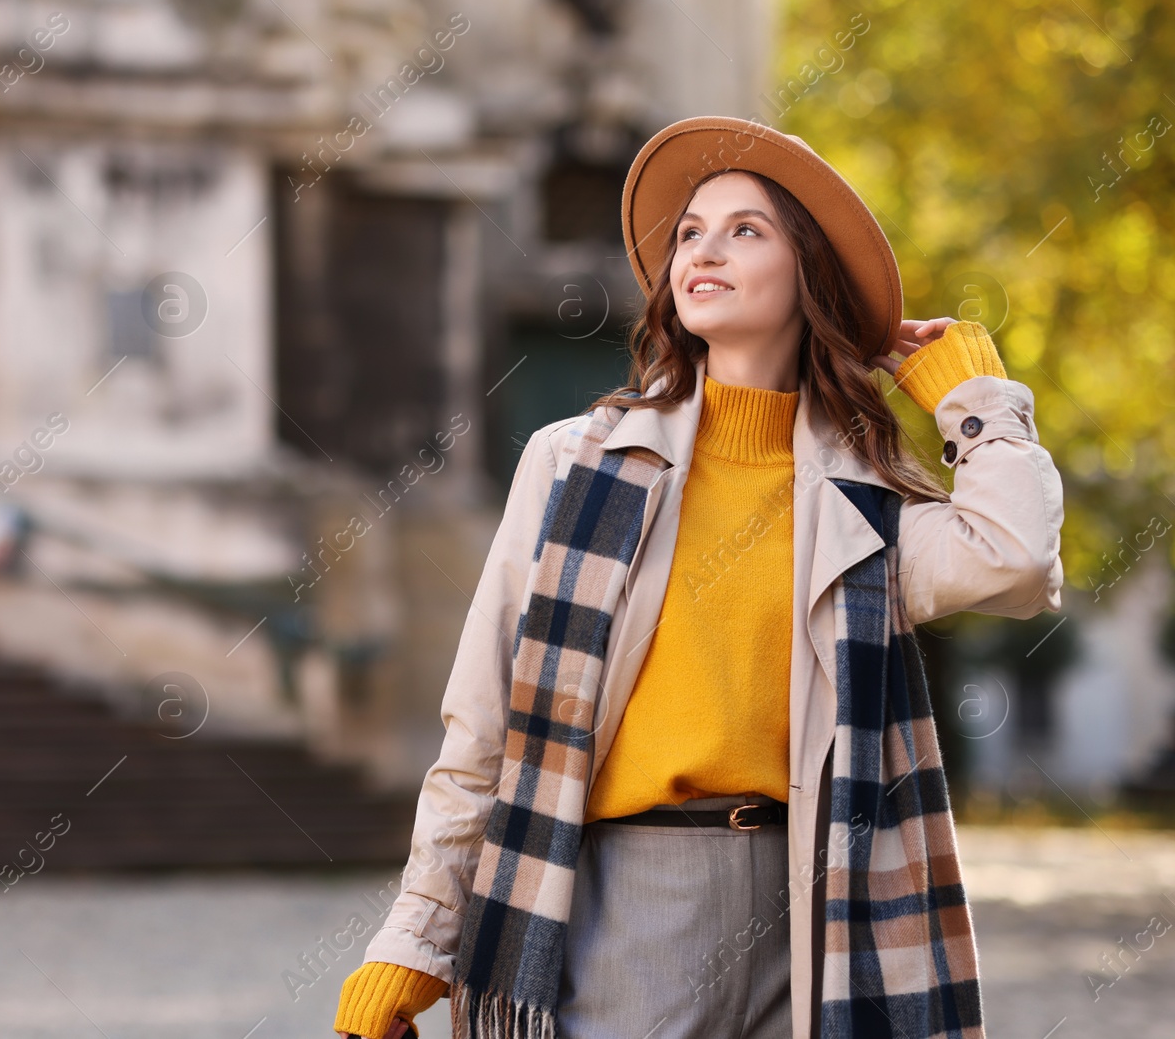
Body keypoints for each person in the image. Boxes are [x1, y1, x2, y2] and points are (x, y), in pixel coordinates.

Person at [333, 116, 1063, 1039]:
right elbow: (484, 719)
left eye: (745, 230)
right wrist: (415, 939)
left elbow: (1016, 557)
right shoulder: (577, 465)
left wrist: (975, 401)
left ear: (809, 274)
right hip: (631, 904)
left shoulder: (859, 502)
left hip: (824, 912)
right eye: (689, 232)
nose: (702, 250)